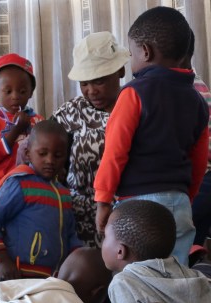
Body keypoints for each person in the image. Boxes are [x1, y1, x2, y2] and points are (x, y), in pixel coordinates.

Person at [93, 6, 208, 266]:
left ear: (145, 51)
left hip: (138, 207)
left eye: (132, 53)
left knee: (137, 280)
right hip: (179, 203)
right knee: (175, 275)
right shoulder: (197, 101)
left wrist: (102, 199)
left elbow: (115, 152)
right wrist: (185, 198)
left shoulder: (133, 93)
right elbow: (198, 162)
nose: (132, 61)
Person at [51, 32, 129, 247]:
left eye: (99, 81)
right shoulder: (71, 112)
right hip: (75, 220)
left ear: (120, 71)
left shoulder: (134, 106)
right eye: (84, 83)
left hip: (123, 217)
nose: (91, 91)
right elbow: (43, 149)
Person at [0, 120, 81, 281]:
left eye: (58, 155)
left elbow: (69, 233)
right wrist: (4, 260)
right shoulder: (20, 183)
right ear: (28, 153)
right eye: (43, 153)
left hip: (52, 278)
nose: (50, 160)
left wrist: (80, 257)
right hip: (18, 274)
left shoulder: (63, 193)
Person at [182, 32, 211, 249]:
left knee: (174, 258)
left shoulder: (174, 90)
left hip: (193, 185)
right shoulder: (198, 85)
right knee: (190, 253)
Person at [0, 54, 44, 186]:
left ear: (31, 92)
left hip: (33, 185)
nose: (15, 96)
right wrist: (16, 130)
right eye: (8, 91)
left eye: (22, 91)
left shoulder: (38, 121)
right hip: (4, 187)